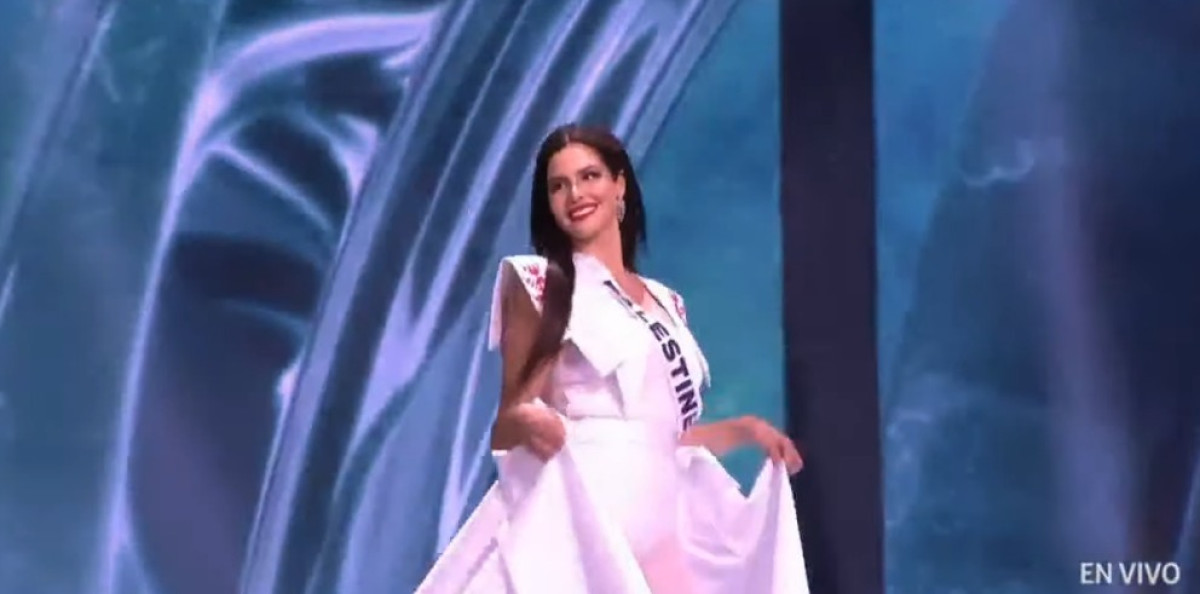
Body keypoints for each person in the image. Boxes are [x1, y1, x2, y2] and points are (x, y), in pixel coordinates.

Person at [416, 124, 811, 593]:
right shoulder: (541, 283)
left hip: (663, 532)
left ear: (619, 184)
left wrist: (745, 430)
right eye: (558, 186)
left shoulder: (667, 303)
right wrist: (534, 420)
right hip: (579, 530)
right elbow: (509, 419)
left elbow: (667, 437)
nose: (575, 195)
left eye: (589, 176)